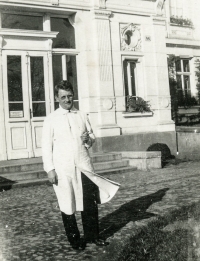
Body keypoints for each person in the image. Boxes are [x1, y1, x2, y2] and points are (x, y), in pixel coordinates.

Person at [42, 80, 120, 250]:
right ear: (57, 98)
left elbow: (91, 137)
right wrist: (50, 169)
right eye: (63, 97)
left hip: (83, 167)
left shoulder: (82, 115)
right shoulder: (51, 119)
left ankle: (93, 236)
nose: (67, 100)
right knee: (67, 203)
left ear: (73, 95)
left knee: (89, 204)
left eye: (70, 96)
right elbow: (46, 147)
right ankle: (75, 240)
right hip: (63, 169)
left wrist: (88, 140)